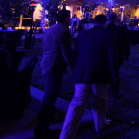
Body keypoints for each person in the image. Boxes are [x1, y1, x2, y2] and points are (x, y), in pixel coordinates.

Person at [59, 14, 116, 139]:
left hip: (82, 74)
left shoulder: (83, 34)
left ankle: (65, 135)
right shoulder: (108, 34)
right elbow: (111, 56)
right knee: (101, 100)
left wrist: (76, 69)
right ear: (105, 22)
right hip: (99, 74)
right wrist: (113, 73)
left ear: (94, 22)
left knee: (76, 106)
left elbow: (75, 54)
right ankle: (100, 124)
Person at [35, 10, 74, 139]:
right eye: (69, 18)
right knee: (50, 96)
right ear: (66, 19)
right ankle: (41, 127)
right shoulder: (64, 32)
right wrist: (73, 66)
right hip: (54, 65)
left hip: (46, 63)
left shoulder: (50, 29)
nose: (70, 20)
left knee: (51, 94)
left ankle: (50, 117)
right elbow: (66, 52)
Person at [106, 12, 130, 99]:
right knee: (115, 73)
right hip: (118, 55)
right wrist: (127, 54)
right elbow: (126, 43)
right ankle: (115, 92)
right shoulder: (121, 29)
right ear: (116, 19)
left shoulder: (105, 29)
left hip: (105, 55)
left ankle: (105, 90)